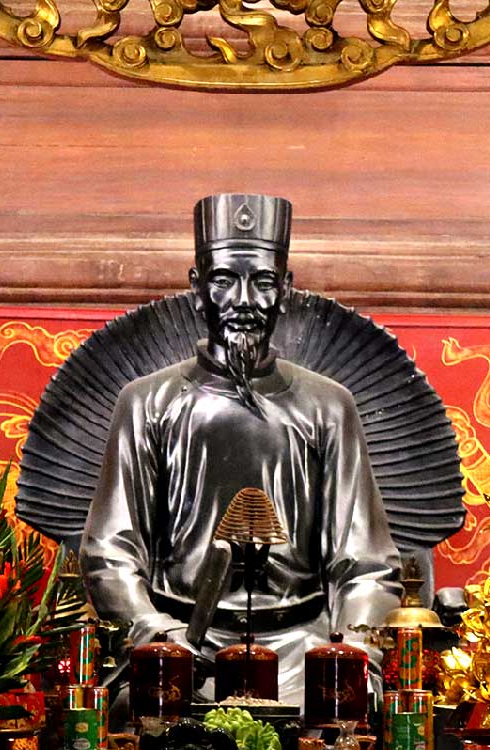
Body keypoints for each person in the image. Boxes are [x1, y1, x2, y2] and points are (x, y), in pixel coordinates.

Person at [79, 193, 401, 713]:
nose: (245, 299)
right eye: (225, 279)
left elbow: (365, 564)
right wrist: (153, 631)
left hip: (305, 651)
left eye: (264, 281)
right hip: (184, 648)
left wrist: (354, 650)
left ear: (286, 290)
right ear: (197, 289)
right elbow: (110, 553)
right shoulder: (147, 403)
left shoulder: (328, 407)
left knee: (352, 711)